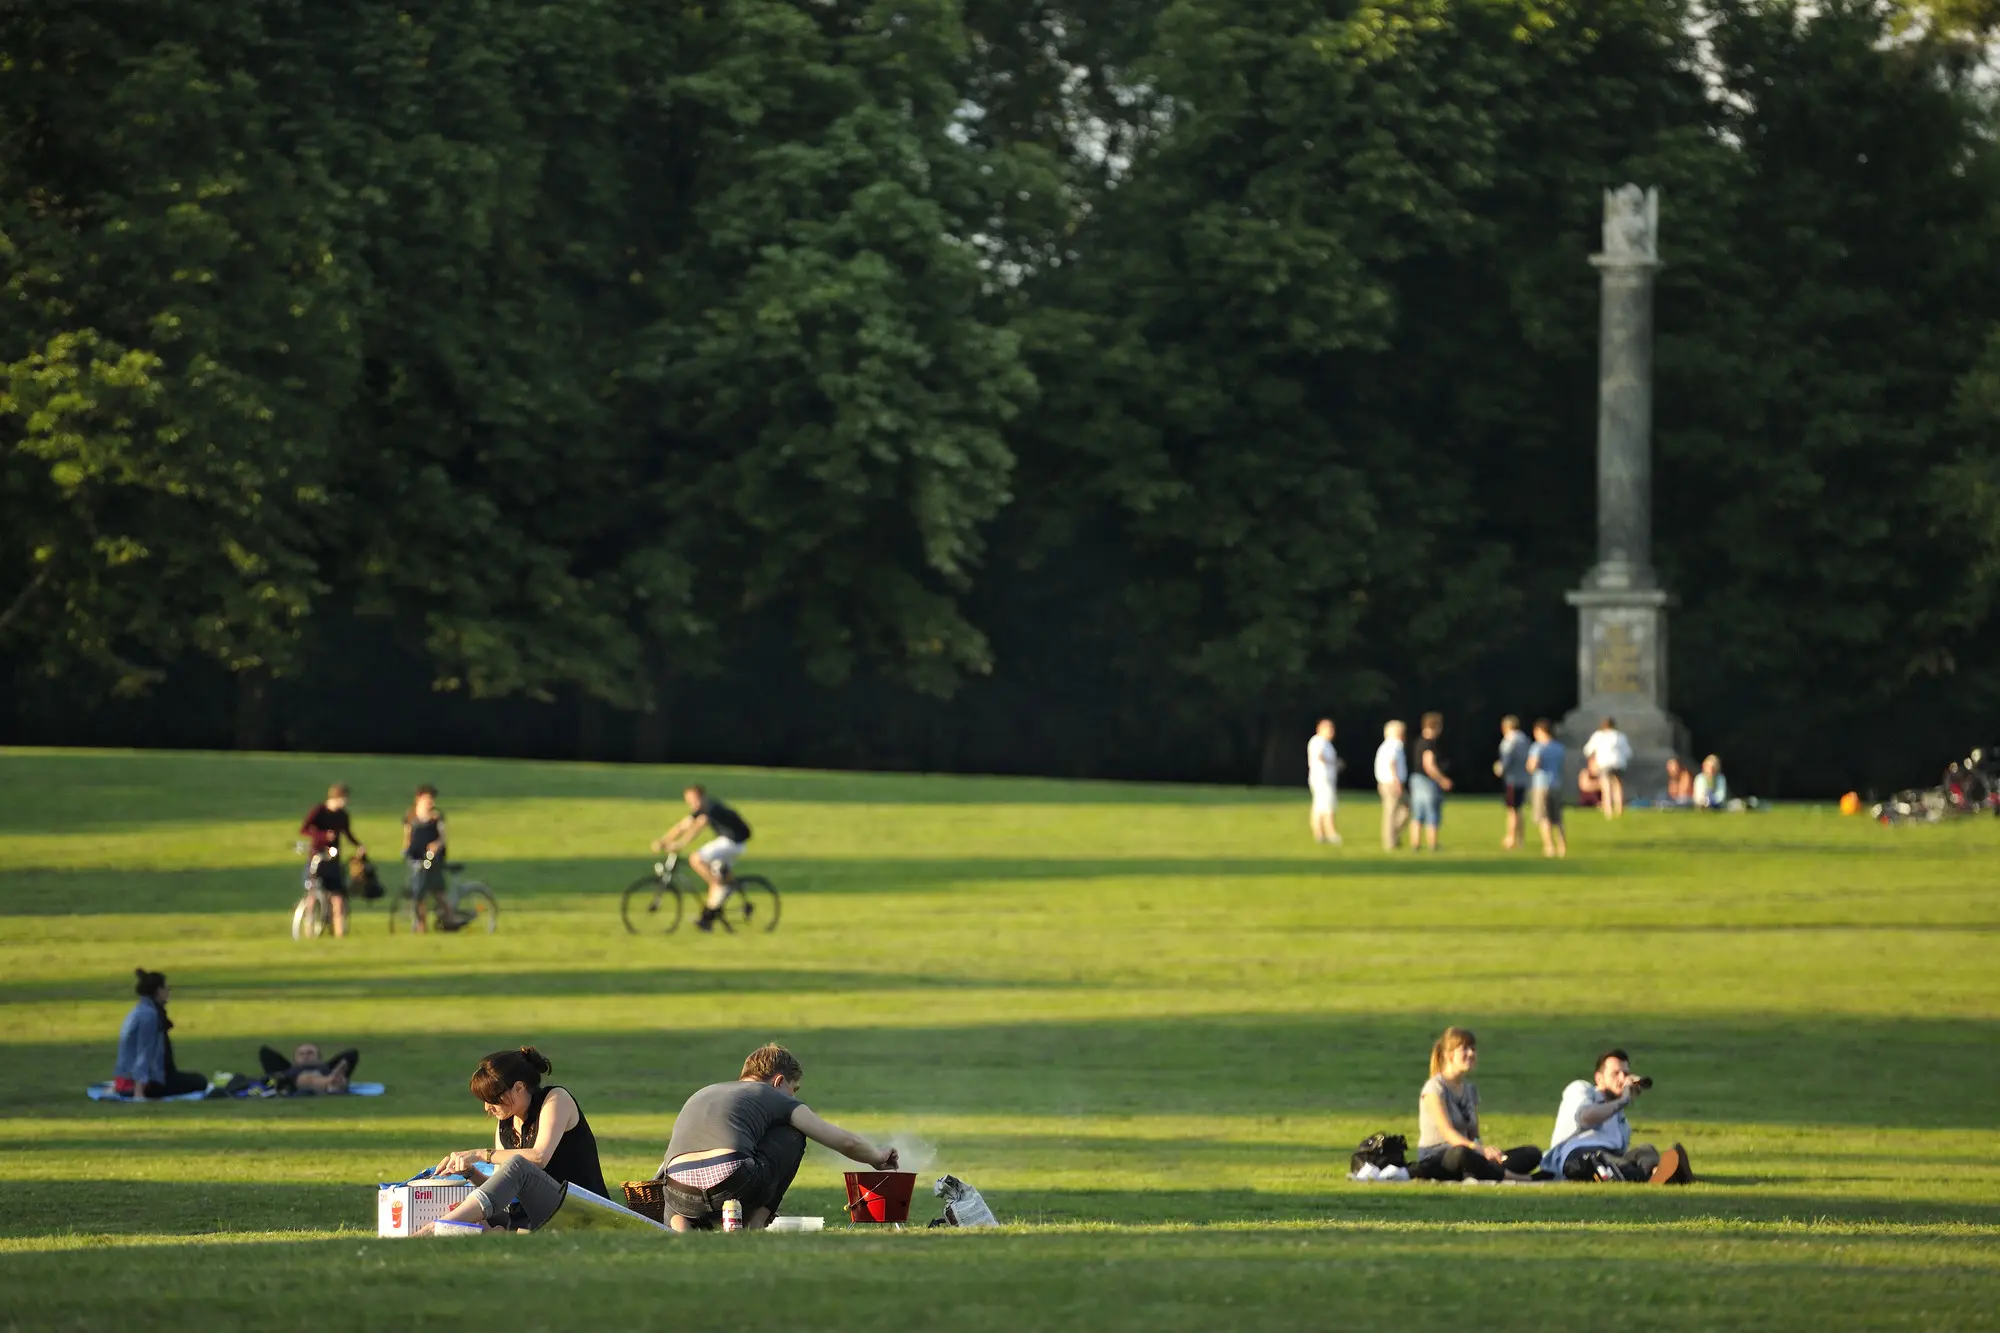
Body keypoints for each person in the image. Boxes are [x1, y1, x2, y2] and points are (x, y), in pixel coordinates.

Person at [655, 1043, 898, 1232]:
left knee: (677, 1174)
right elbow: (846, 1142)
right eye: (794, 1089)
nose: (793, 1096)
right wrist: (876, 1157)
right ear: (779, 1081)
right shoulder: (772, 1095)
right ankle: (754, 1226)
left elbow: (667, 1163)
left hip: (680, 1193)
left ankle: (682, 1232)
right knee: (793, 1134)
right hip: (733, 1182)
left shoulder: (704, 1092)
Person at [419, 1047, 610, 1234]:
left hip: (581, 1211)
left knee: (518, 1166)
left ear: (519, 1087)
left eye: (493, 1099)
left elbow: (539, 1157)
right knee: (470, 1213)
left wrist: (480, 1154)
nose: (487, 1107)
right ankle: (501, 1231)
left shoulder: (556, 1099)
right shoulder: (506, 1123)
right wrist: (470, 1172)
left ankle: (437, 1228)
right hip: (535, 1214)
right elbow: (504, 1187)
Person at [1413, 1027, 1543, 1182]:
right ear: (1449, 1054)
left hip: (1470, 1154)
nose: (1471, 1054)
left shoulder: (1470, 1090)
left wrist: (1486, 1153)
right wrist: (1478, 1150)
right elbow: (1448, 1133)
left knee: (1532, 1153)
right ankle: (1519, 1178)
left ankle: (1482, 1171)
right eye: (1464, 1049)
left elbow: (1474, 1135)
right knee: (1461, 1153)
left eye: (1473, 1049)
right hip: (1440, 1158)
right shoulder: (1434, 1088)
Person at [1544, 1048, 1691, 1184]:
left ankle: (1657, 1173)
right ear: (1599, 1078)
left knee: (1645, 1150)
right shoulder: (1582, 1089)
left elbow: (1621, 1153)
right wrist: (1623, 1101)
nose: (1622, 1079)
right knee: (1606, 1160)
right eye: (1615, 1074)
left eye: (1625, 1074)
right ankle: (1664, 1178)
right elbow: (1585, 1118)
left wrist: (1622, 1102)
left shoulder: (1620, 1120)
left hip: (1610, 1157)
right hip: (1577, 1156)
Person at [654, 785, 756, 932]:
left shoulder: (711, 808)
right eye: (689, 801)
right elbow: (682, 826)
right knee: (716, 875)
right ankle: (706, 921)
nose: (692, 804)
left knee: (696, 859)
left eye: (694, 800)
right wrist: (664, 840)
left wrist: (679, 844)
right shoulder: (702, 807)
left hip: (734, 842)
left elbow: (697, 827)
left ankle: (718, 886)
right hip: (730, 841)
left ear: (702, 797)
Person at [113, 969, 209, 1099]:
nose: (168, 991)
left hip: (132, 1080)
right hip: (150, 1083)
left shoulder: (140, 1010)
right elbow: (144, 1053)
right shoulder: (149, 1016)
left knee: (190, 1079)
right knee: (200, 1081)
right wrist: (139, 1092)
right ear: (158, 991)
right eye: (166, 988)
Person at [299, 783, 367, 938]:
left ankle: (339, 934)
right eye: (344, 799)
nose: (345, 802)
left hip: (333, 860)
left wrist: (358, 845)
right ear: (336, 798)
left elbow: (347, 833)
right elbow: (304, 829)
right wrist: (323, 835)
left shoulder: (343, 815)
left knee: (338, 898)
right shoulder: (319, 811)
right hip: (317, 857)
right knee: (312, 893)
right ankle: (309, 929)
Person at [402, 785, 450, 932]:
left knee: (438, 891)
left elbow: (443, 838)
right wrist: (406, 851)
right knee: (419, 893)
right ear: (419, 799)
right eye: (428, 799)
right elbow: (407, 836)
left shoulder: (437, 816)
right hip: (416, 857)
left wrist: (436, 846)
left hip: (432, 859)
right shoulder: (410, 815)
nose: (431, 802)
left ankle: (450, 919)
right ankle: (421, 927)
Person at [1407, 713, 1453, 851]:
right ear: (1437, 726)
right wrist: (1442, 779)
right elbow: (1429, 765)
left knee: (1418, 813)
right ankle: (1433, 844)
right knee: (1432, 812)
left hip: (1415, 779)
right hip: (1427, 781)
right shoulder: (1429, 744)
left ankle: (1415, 844)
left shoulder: (1418, 741)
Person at [1527, 719, 1567, 858]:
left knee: (1544, 818)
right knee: (1558, 819)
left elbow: (1532, 766)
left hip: (1541, 785)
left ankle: (1549, 846)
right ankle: (1562, 846)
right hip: (1556, 784)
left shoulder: (1538, 747)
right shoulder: (1559, 748)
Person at [257, 1041, 359, 1094]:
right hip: (289, 1081)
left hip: (326, 1079)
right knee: (271, 1079)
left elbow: (352, 1053)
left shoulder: (327, 1068)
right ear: (295, 1060)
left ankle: (328, 1084)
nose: (305, 1056)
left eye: (310, 1053)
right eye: (301, 1054)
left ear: (319, 1058)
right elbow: (265, 1052)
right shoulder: (288, 1070)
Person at [1494, 715, 1532, 850]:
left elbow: (1507, 757)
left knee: (1512, 810)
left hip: (1512, 779)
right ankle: (1520, 839)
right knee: (1519, 809)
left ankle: (1511, 838)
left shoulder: (1510, 740)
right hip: (1523, 778)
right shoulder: (1525, 739)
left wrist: (1500, 768)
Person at [1583, 718, 1632, 819]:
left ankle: (1608, 810)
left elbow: (1587, 750)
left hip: (1604, 763)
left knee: (1606, 787)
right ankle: (1619, 809)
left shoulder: (1599, 736)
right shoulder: (1620, 736)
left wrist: (1593, 759)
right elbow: (1628, 752)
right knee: (1618, 786)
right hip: (1618, 763)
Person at [1373, 721, 1410, 852]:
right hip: (1392, 783)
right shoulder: (1394, 745)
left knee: (1404, 809)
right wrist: (1396, 781)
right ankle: (1390, 842)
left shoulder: (1386, 746)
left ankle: (1392, 836)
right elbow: (1392, 763)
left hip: (1388, 782)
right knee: (1392, 813)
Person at [1307, 718, 1343, 846]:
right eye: (1329, 729)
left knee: (1320, 807)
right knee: (1327, 807)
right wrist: (1333, 763)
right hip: (1322, 779)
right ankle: (1330, 832)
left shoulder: (1326, 743)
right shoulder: (1318, 741)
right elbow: (1319, 756)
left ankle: (1320, 833)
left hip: (1326, 779)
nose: (1332, 732)